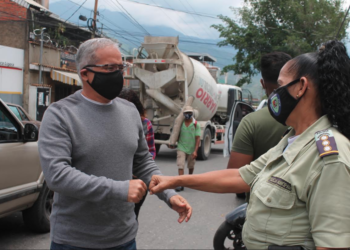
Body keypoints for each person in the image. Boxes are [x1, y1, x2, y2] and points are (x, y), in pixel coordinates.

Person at [149, 40, 350, 250]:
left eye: (280, 86)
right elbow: (240, 176)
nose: (274, 95)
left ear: (301, 87)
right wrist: (174, 180)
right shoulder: (291, 139)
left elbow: (332, 245)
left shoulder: (329, 159)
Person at [38, 38, 192, 250]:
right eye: (110, 67)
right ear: (85, 73)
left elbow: (143, 162)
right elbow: (57, 175)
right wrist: (118, 189)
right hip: (74, 241)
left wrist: (169, 195)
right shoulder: (60, 115)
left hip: (124, 238)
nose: (118, 74)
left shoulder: (129, 112)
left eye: (121, 67)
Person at [227, 52, 291, 199]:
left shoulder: (251, 122)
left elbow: (234, 176)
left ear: (262, 83)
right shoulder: (310, 119)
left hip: (259, 206)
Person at [119, 88, 155, 220]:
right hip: (118, 181)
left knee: (132, 217)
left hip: (138, 180)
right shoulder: (112, 122)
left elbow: (149, 153)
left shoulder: (145, 124)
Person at [175, 106, 201, 192]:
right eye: (186, 113)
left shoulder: (196, 124)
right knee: (180, 164)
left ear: (192, 113)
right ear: (183, 114)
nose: (188, 115)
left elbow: (197, 139)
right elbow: (175, 133)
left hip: (191, 148)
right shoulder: (180, 123)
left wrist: (195, 151)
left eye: (190, 113)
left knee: (191, 165)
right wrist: (172, 142)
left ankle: (189, 179)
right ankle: (181, 184)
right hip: (181, 147)